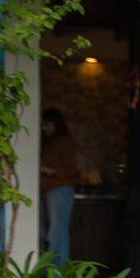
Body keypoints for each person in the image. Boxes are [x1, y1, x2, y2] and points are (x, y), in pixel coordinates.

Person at [39, 108, 77, 269]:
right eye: (42, 125)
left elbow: (71, 169)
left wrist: (48, 170)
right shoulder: (45, 142)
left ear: (56, 124)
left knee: (57, 232)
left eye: (47, 125)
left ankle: (57, 274)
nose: (44, 128)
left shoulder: (64, 141)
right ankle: (45, 272)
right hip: (44, 190)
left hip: (59, 189)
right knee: (43, 232)